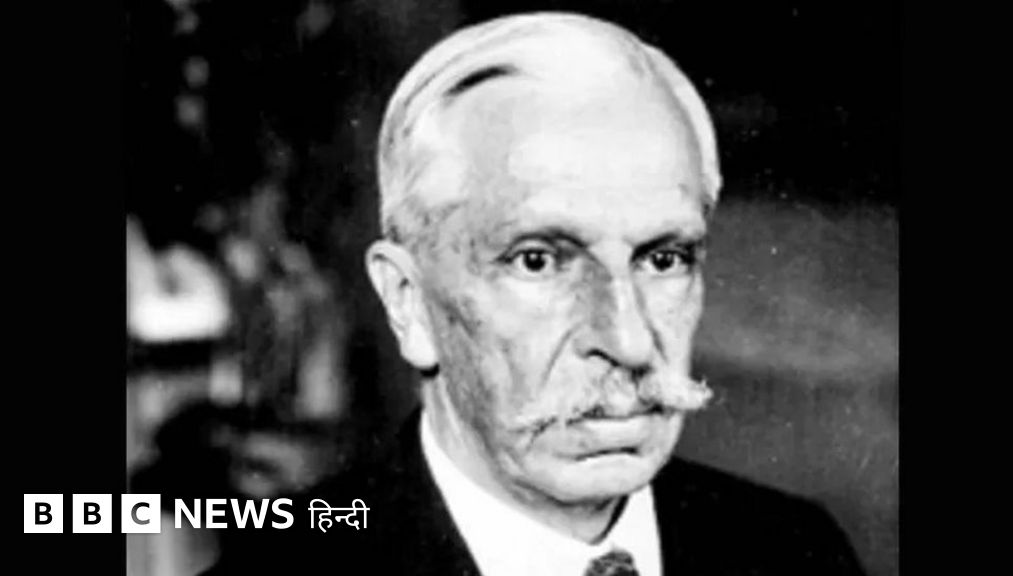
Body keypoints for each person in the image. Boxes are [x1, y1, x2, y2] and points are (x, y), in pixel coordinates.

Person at [207, 12, 866, 576]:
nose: (629, 341)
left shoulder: (798, 553)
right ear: (407, 301)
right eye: (540, 261)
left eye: (663, 259)